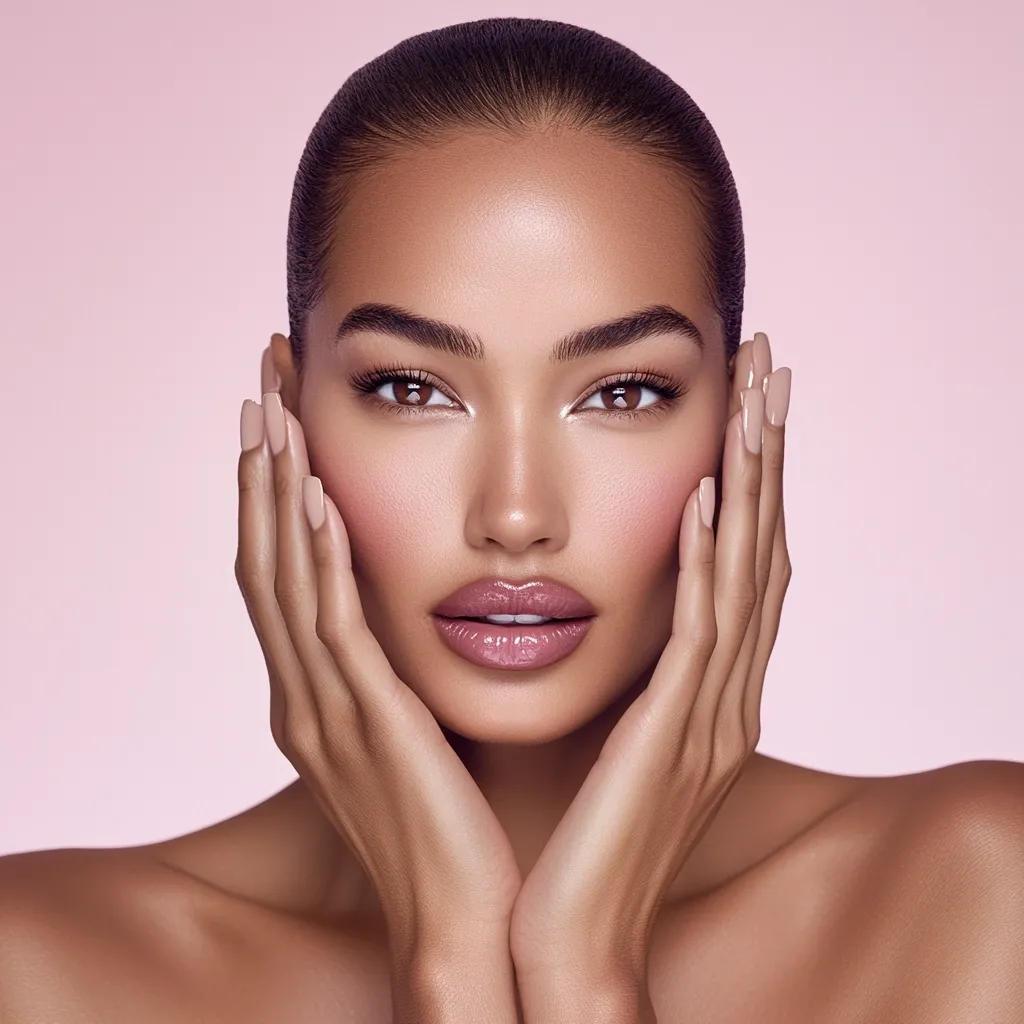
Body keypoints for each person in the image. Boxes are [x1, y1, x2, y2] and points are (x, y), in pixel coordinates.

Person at [1, 16, 1022, 1024]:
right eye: (411, 389)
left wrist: (585, 967)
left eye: (621, 393)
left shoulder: (977, 897)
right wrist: (448, 951)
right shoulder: (43, 969)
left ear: (741, 414)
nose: (517, 514)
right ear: (287, 407)